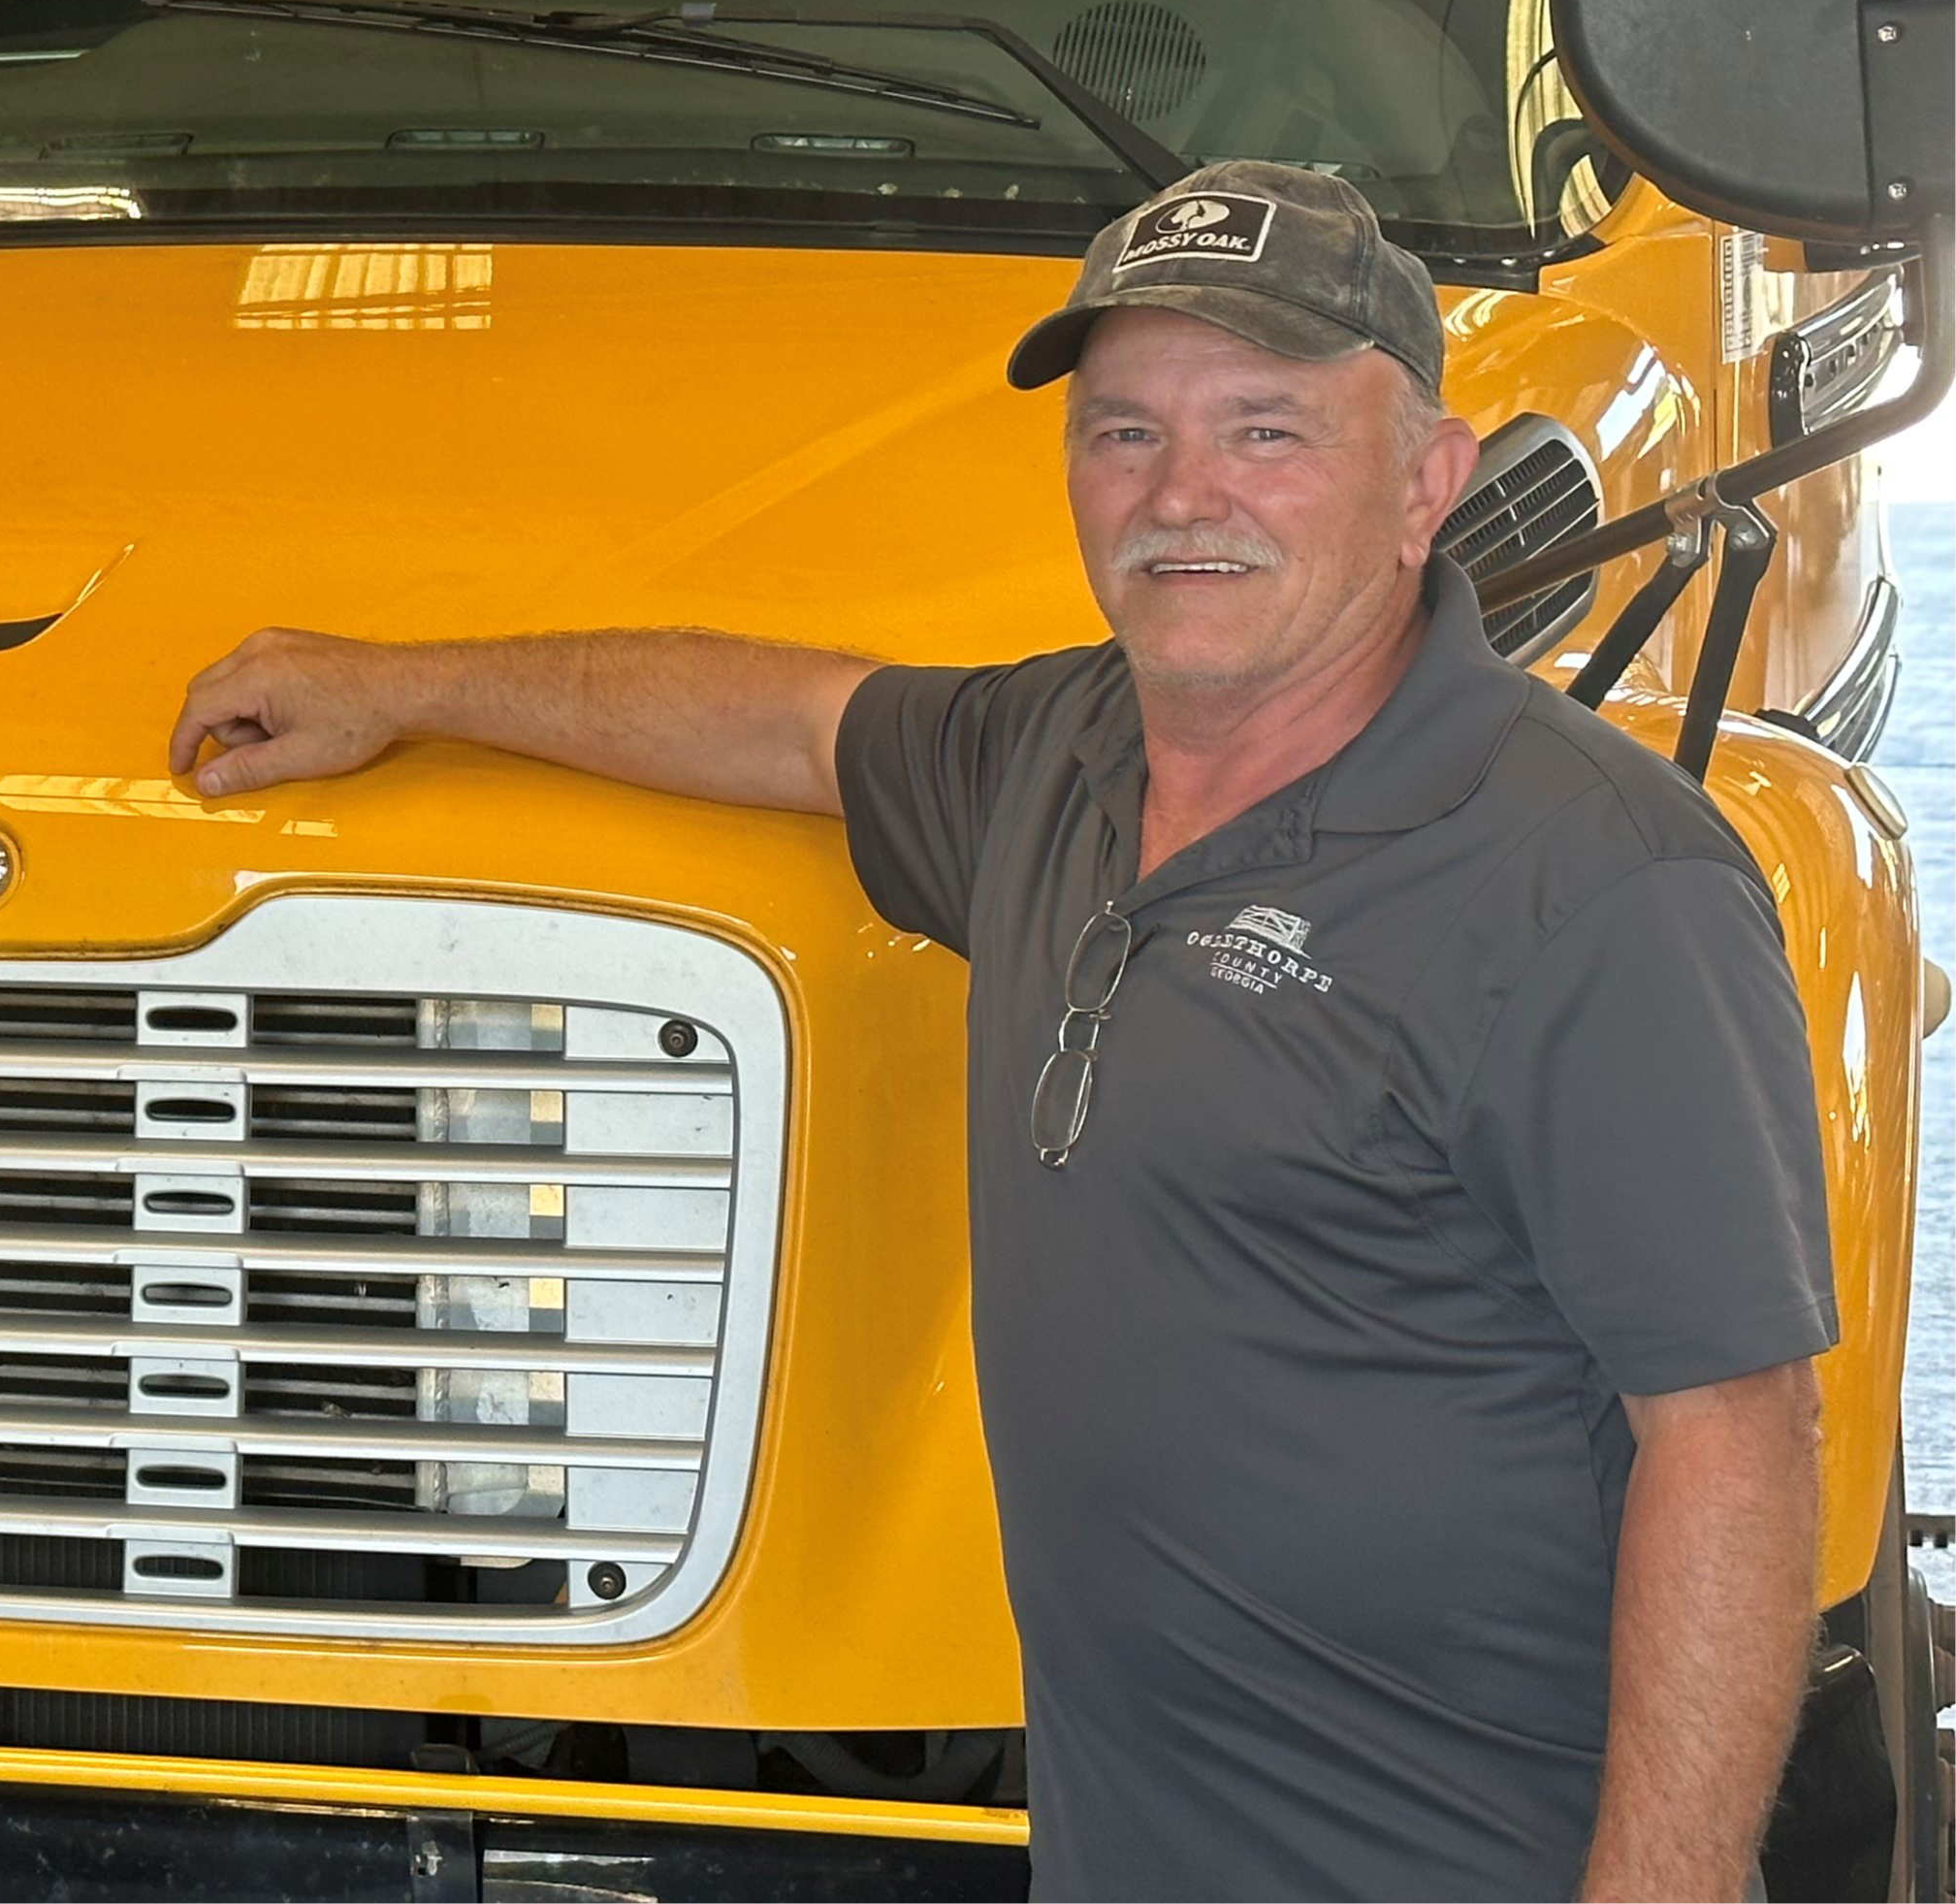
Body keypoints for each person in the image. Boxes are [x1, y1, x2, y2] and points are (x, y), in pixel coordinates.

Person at [168, 161, 1833, 1904]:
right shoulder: (1057, 755)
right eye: (1123, 434)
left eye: (1266, 431)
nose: (1181, 493)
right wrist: (398, 684)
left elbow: (1731, 1431)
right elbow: (787, 720)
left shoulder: (1590, 884)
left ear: (1429, 483)